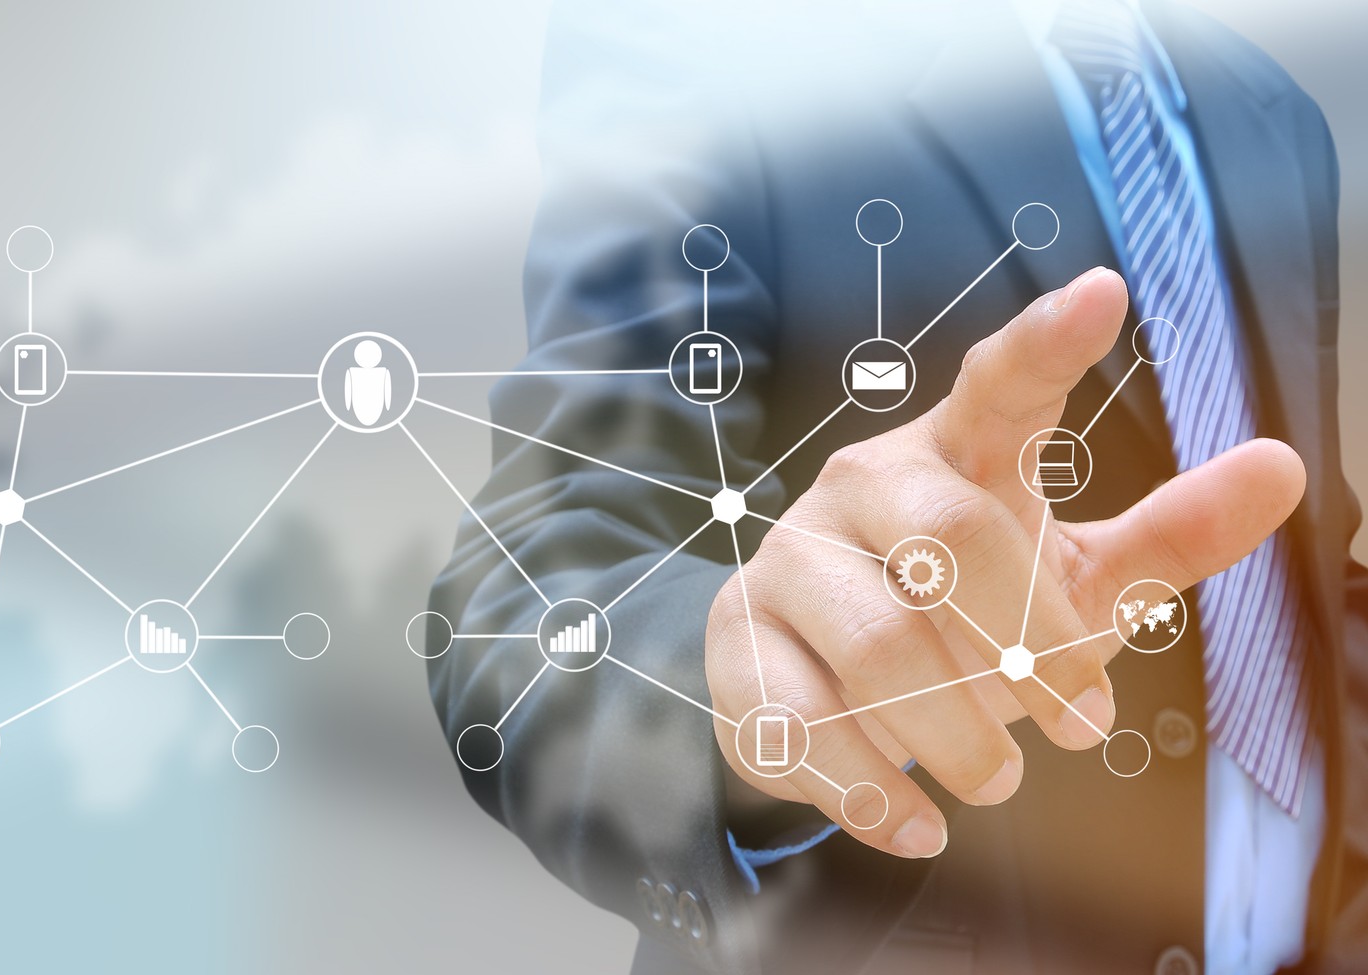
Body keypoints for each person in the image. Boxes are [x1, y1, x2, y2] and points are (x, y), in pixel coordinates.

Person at [425, 0, 1362, 972]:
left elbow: (1296, 578)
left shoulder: (1271, 109)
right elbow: (538, 573)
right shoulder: (704, 38)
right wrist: (749, 694)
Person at [345, 338, 393, 427]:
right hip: (370, 411)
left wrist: (348, 407)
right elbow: (388, 397)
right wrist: (387, 407)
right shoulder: (383, 372)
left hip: (366, 411)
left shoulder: (352, 372)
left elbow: (347, 397)